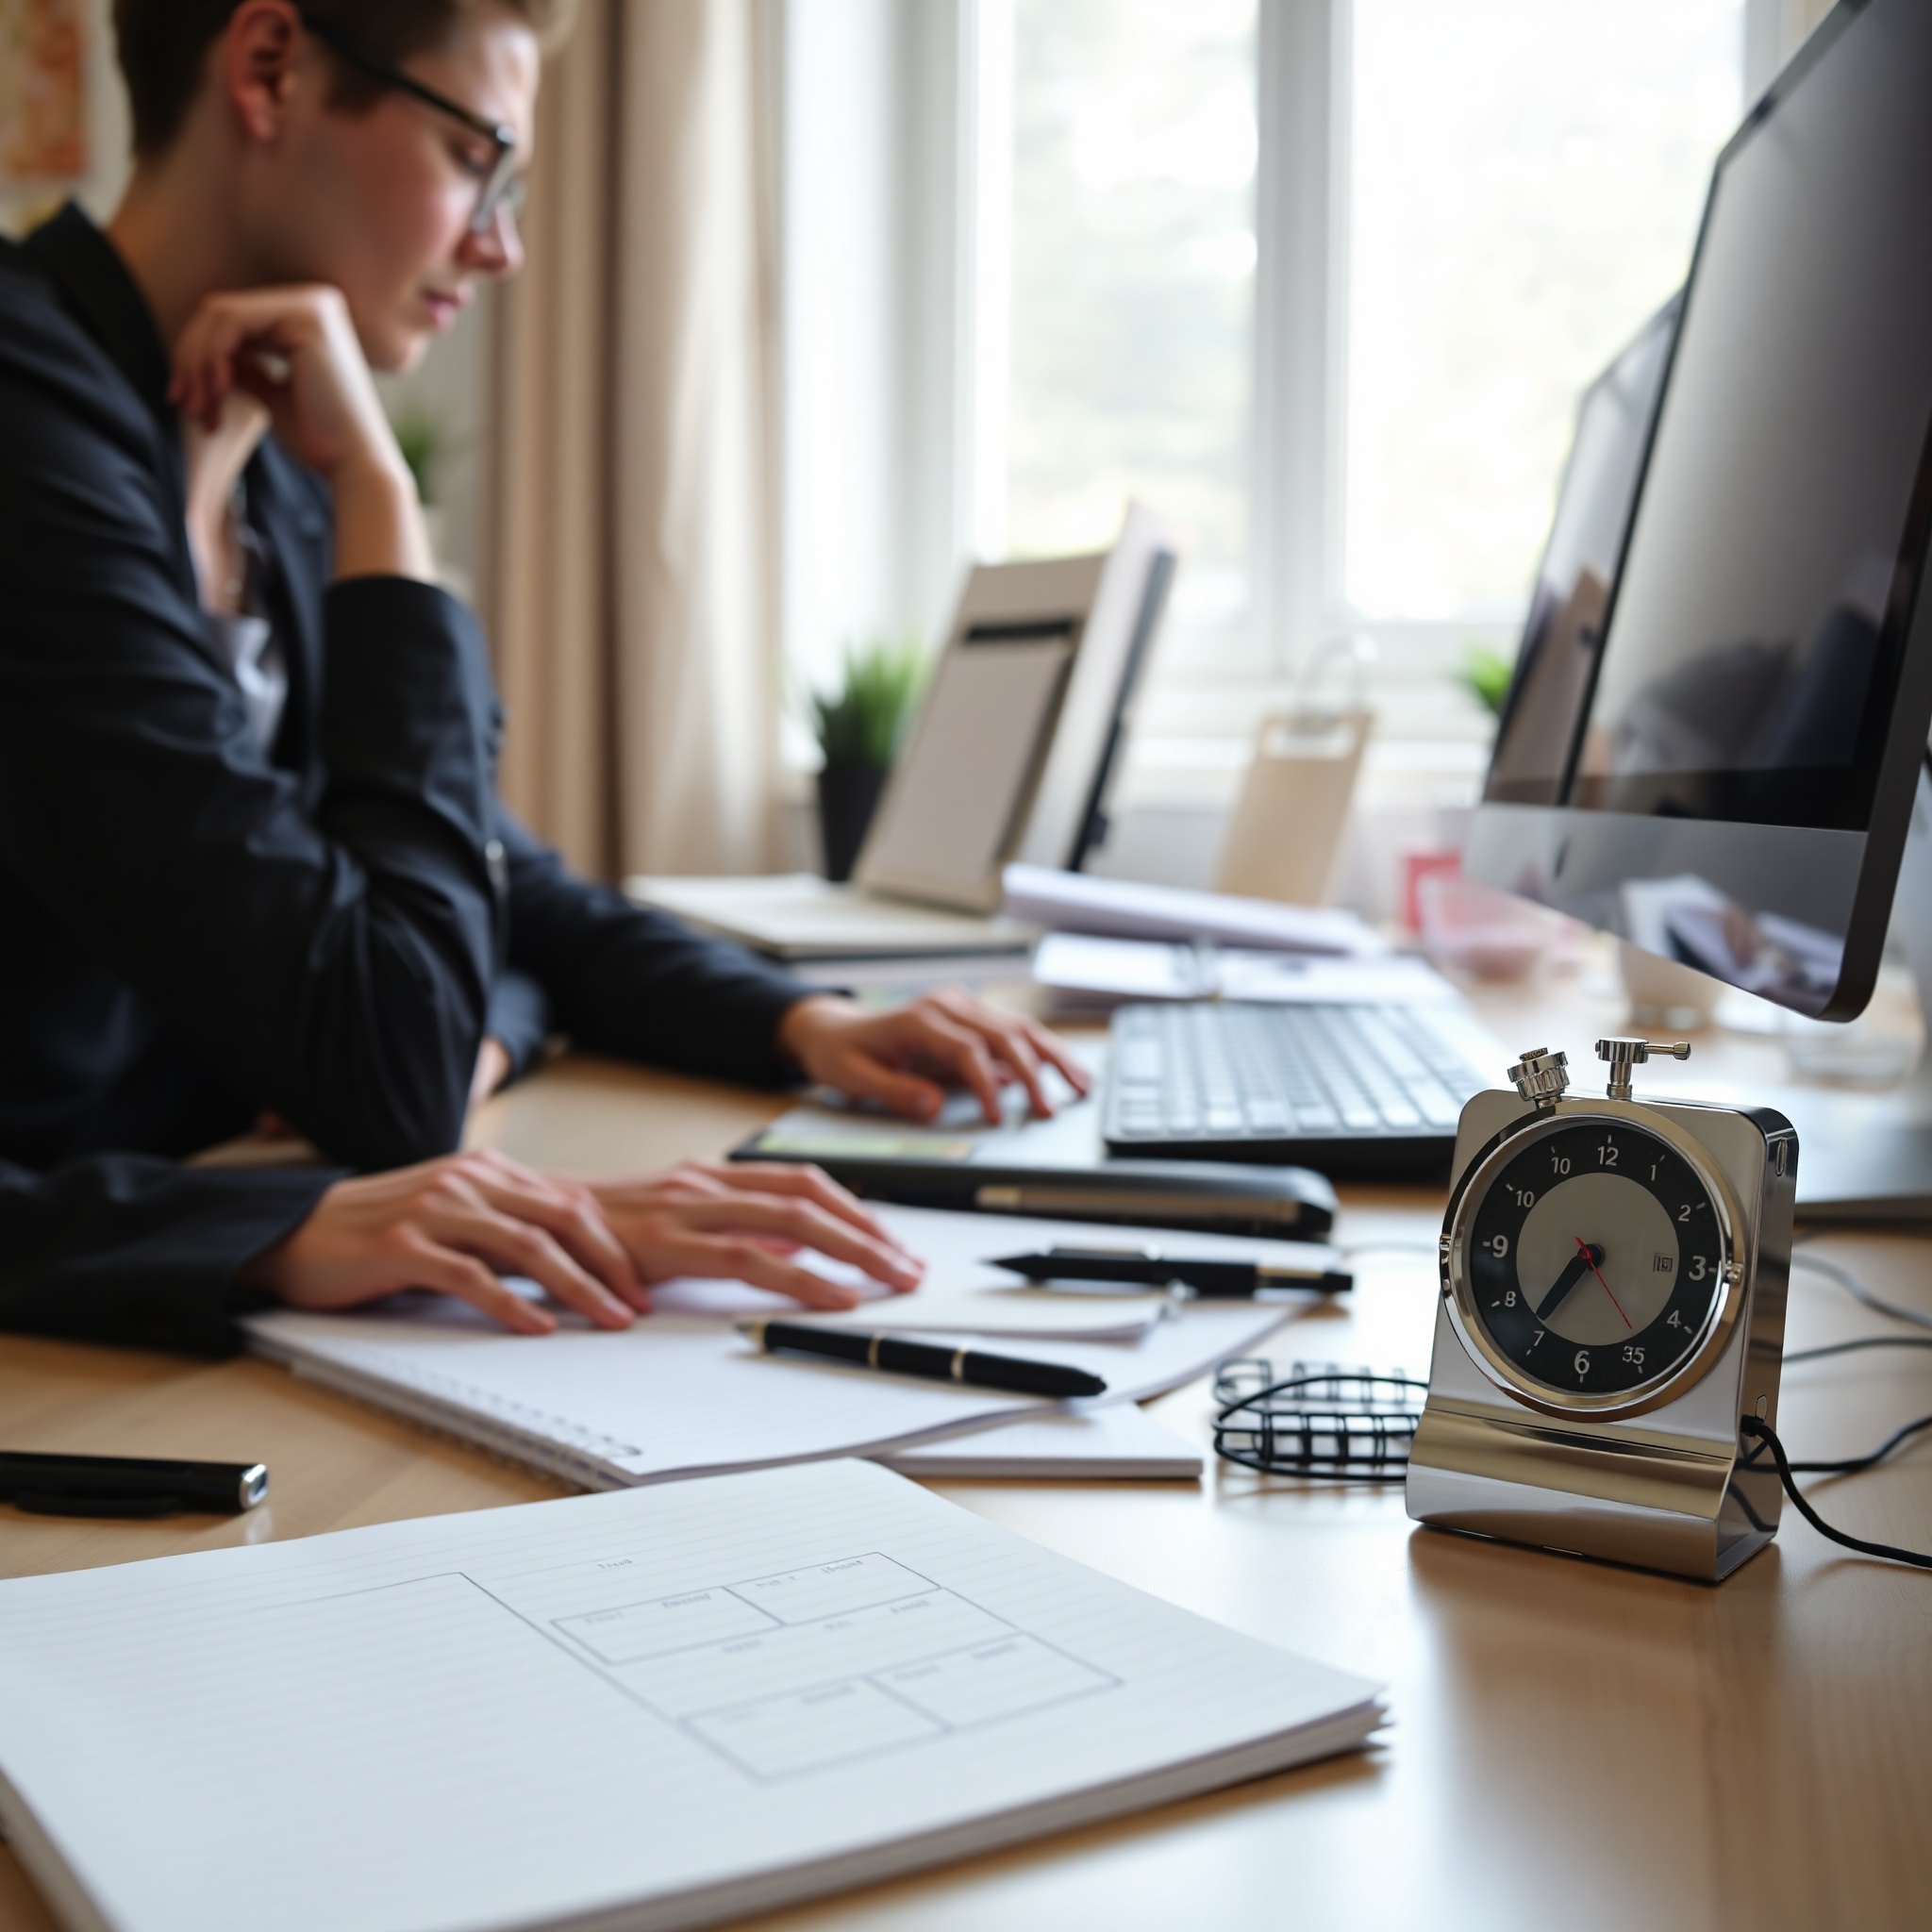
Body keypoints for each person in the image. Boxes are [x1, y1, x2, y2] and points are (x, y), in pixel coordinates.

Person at [0, 0, 1087, 1350]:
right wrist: (387, 509)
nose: (502, 245)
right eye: (477, 159)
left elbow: (495, 896)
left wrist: (801, 1025)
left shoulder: (259, 469)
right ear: (269, 68)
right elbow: (395, 1061)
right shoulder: (31, 430)